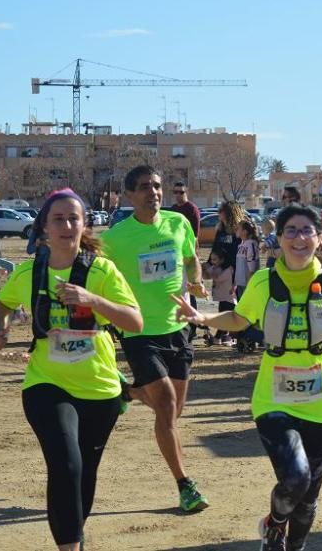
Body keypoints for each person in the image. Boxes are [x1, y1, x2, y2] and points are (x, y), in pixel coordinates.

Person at [170, 205, 322, 551]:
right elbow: (239, 320)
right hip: (274, 400)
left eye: (306, 231)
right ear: (279, 239)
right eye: (291, 231)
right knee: (295, 479)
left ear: (318, 239)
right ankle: (275, 524)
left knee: (308, 499)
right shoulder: (263, 281)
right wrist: (203, 318)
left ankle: (287, 543)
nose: (299, 238)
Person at [0, 188, 144, 551]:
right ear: (43, 226)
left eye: (74, 218)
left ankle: (75, 534)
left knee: (84, 476)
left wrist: (93, 299)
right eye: (58, 218)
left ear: (85, 225)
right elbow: (1, 304)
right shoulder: (30, 271)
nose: (67, 225)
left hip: (100, 389)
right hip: (47, 382)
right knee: (65, 464)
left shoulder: (102, 271)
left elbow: (135, 321)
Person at [100, 165, 211, 513]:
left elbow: (192, 260)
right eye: (145, 187)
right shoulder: (115, 237)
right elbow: (95, 273)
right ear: (130, 195)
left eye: (158, 186)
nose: (154, 192)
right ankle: (185, 485)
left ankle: (128, 392)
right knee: (164, 407)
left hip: (178, 329)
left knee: (173, 413)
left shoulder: (178, 224)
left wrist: (195, 282)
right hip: (139, 332)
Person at [169, 182, 202, 341]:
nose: (178, 195)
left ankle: (192, 327)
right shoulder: (173, 210)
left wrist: (193, 257)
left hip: (188, 256)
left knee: (191, 292)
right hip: (174, 257)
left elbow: (194, 236)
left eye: (181, 192)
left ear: (186, 192)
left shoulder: (192, 209)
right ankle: (178, 324)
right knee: (178, 290)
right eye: (175, 192)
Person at [234, 218, 263, 352]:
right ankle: (247, 338)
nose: (236, 230)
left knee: (249, 313)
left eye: (239, 228)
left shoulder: (251, 244)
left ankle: (256, 338)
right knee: (243, 313)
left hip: (248, 285)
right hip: (240, 284)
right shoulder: (242, 244)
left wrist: (250, 286)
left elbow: (252, 268)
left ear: (245, 231)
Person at [201, 246, 237, 347]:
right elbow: (206, 276)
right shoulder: (215, 268)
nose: (212, 262)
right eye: (211, 259)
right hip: (221, 298)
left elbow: (217, 278)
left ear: (222, 259)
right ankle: (224, 337)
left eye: (215, 259)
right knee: (224, 319)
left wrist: (207, 269)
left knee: (224, 319)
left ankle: (218, 338)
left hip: (228, 298)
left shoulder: (228, 269)